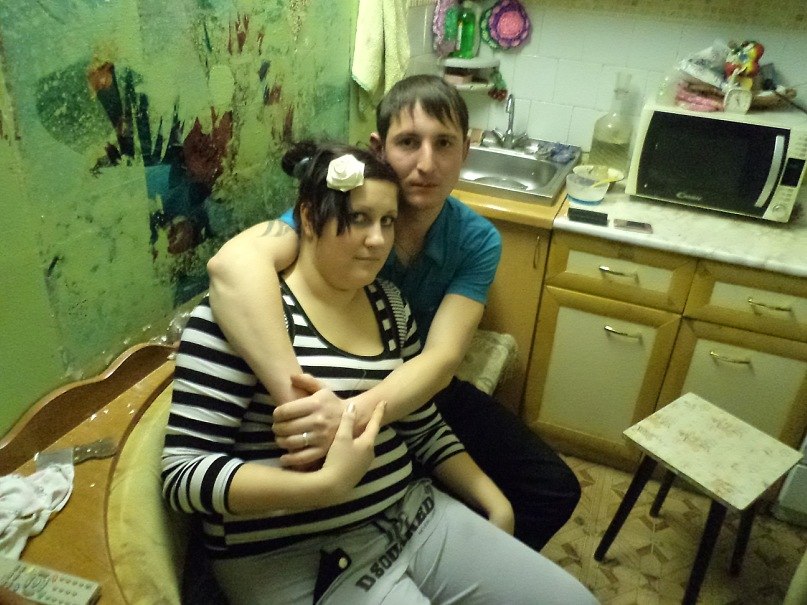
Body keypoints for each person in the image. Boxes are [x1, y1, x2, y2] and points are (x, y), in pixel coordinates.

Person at [162, 142, 596, 604]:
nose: (377, 240)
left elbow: (419, 424)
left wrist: (495, 501)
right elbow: (182, 475)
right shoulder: (247, 315)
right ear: (308, 218)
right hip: (297, 558)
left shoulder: (389, 305)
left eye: (387, 221)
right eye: (359, 218)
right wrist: (320, 486)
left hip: (415, 516)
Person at [206, 75, 581, 553]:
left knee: (553, 488)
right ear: (378, 148)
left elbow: (441, 360)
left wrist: (348, 416)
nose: (426, 163)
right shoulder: (338, 216)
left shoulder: (476, 239)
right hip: (329, 379)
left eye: (443, 143)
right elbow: (232, 266)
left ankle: (466, 565)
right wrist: (295, 398)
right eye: (408, 143)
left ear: (465, 151)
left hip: (415, 386)